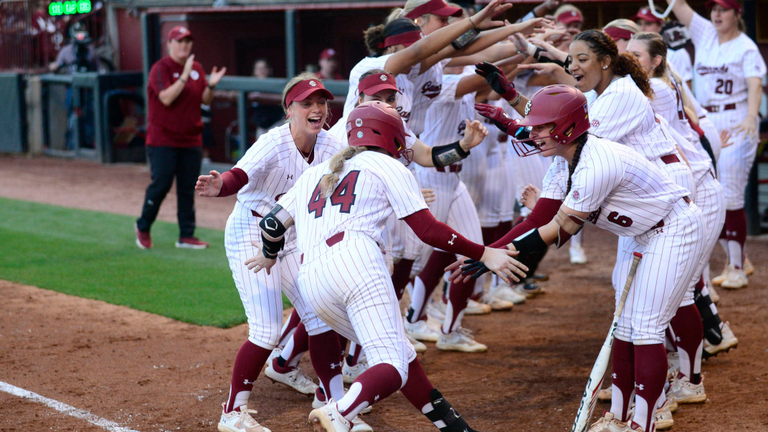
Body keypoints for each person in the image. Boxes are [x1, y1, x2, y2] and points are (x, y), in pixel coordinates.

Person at [246, 101, 528, 432]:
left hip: (312, 279)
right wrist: (483, 253)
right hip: (356, 262)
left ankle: (455, 428)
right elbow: (428, 230)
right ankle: (340, 411)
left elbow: (271, 224)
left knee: (400, 355)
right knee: (393, 364)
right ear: (391, 135)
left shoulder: (315, 172)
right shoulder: (386, 165)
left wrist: (269, 252)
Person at [458, 85, 706, 432]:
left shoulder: (596, 162)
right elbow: (536, 221)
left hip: (674, 228)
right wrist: (486, 251)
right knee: (626, 324)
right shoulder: (563, 164)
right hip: (643, 233)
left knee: (646, 325)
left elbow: (560, 228)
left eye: (543, 126)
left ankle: (642, 423)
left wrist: (495, 256)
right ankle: (618, 417)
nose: (534, 133)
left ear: (568, 127)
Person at [195, 74, 372, 432]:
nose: (317, 109)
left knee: (321, 314)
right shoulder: (272, 143)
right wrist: (220, 186)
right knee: (267, 329)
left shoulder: (329, 144)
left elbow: (359, 166)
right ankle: (232, 413)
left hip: (291, 236)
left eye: (321, 102)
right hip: (251, 231)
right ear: (288, 109)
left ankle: (334, 404)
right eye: (307, 103)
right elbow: (239, 175)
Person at [666, 0, 766, 289]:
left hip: (737, 119)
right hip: (707, 119)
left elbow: (755, 83)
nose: (717, 14)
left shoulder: (745, 46)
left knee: (731, 195)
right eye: (714, 9)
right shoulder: (706, 33)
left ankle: (736, 267)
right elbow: (678, 5)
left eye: (724, 9)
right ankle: (739, 259)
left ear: (737, 14)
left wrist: (750, 116)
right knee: (708, 193)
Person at [135, 26, 226, 250]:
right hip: (163, 139)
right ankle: (143, 226)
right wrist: (184, 74)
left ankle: (186, 235)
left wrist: (211, 84)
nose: (184, 45)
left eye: (187, 41)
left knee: (187, 188)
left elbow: (205, 99)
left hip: (191, 139)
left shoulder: (196, 68)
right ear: (169, 44)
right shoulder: (161, 68)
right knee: (162, 184)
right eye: (179, 41)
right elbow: (166, 98)